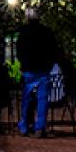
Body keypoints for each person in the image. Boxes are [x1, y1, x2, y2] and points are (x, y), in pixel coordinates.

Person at [16, 8, 58, 138]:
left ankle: (24, 126)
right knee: (42, 99)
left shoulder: (23, 33)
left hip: (28, 69)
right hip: (43, 69)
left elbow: (19, 50)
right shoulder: (46, 32)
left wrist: (23, 64)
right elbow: (53, 49)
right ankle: (40, 127)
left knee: (26, 99)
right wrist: (49, 64)